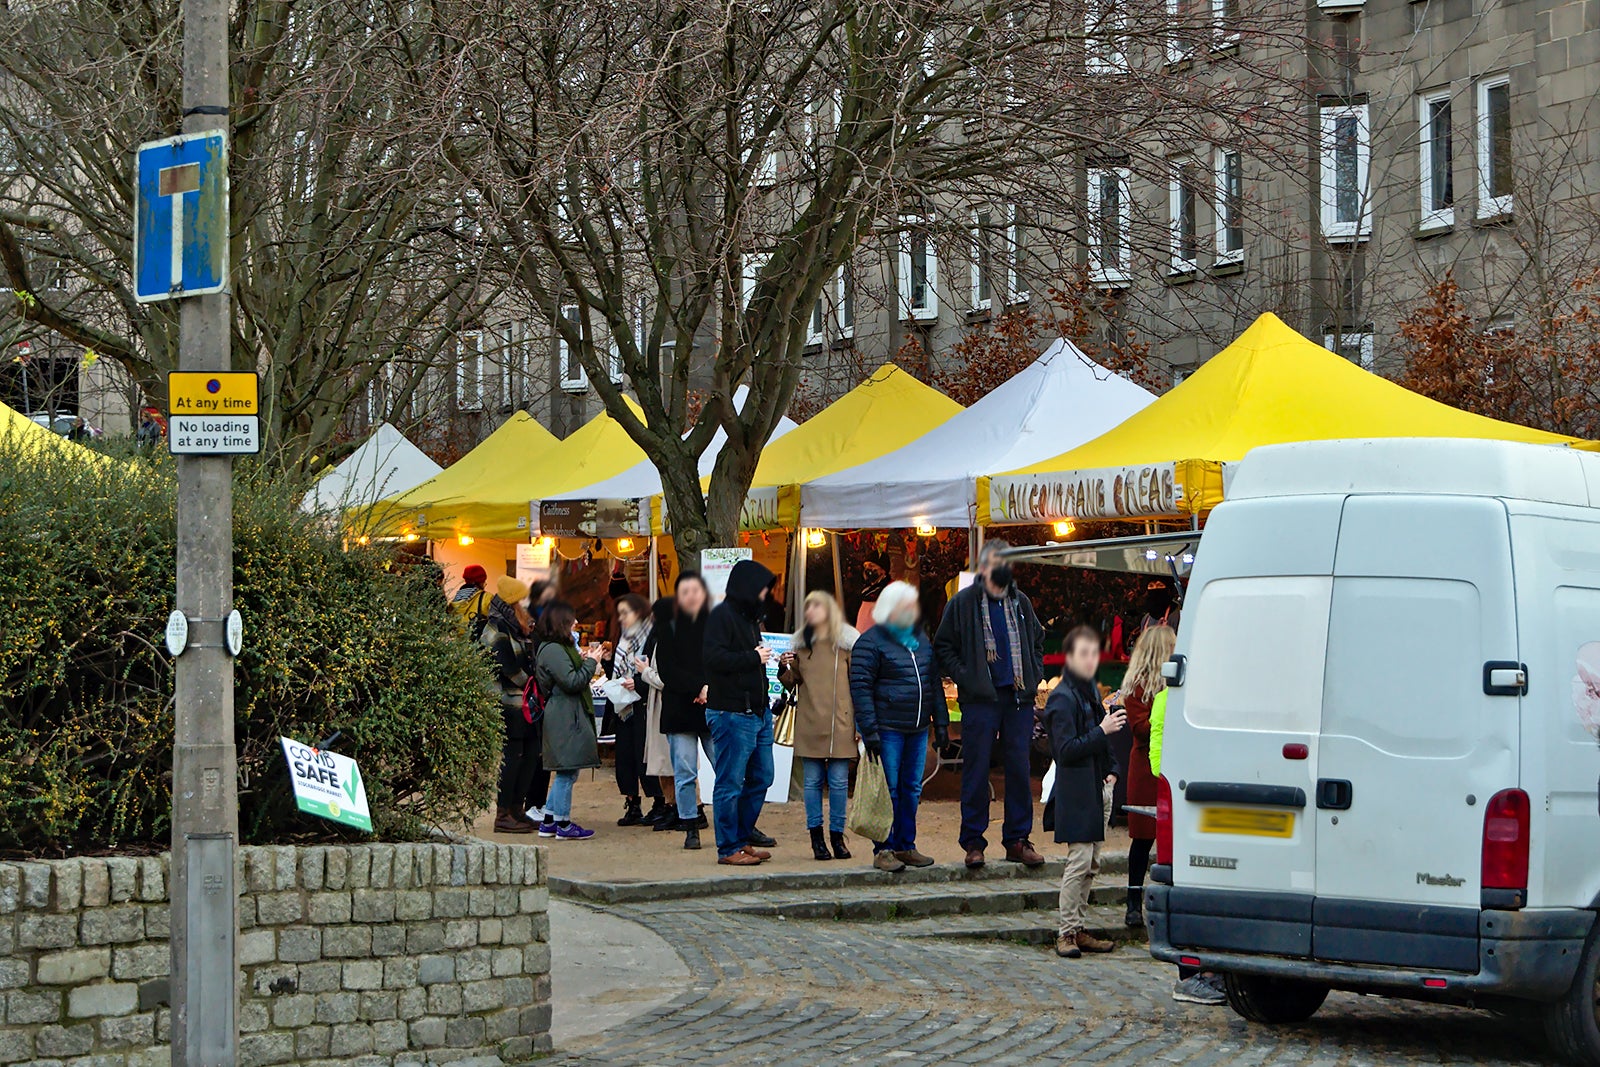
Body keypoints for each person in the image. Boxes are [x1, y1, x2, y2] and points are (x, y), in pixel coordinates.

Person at [934, 539, 1047, 870]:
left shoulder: (1020, 602)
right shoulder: (963, 602)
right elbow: (944, 645)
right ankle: (973, 842)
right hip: (980, 699)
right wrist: (966, 677)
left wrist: (1033, 672)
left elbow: (1037, 640)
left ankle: (1017, 840)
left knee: (1018, 769)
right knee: (976, 769)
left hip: (1017, 697)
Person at [850, 581, 947, 873]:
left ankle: (906, 845)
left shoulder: (920, 640)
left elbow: (933, 684)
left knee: (911, 789)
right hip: (887, 728)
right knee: (889, 790)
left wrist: (940, 722)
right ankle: (884, 848)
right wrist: (870, 730)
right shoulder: (870, 643)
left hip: (917, 729)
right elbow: (861, 689)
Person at [1045, 625, 1124, 959]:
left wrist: (1113, 770)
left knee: (1091, 863)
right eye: (1084, 655)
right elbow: (1064, 751)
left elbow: (1100, 739)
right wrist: (1102, 730)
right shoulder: (1061, 699)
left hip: (1095, 789)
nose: (1091, 661)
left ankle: (1077, 928)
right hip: (1076, 793)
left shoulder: (1088, 691)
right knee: (1079, 862)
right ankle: (1066, 933)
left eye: (1094, 654)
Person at [703, 559, 778, 866]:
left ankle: (741, 837)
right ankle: (728, 847)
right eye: (762, 588)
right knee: (730, 782)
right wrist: (753, 657)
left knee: (763, 775)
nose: (766, 593)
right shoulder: (721, 616)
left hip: (757, 712)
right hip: (732, 712)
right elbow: (713, 658)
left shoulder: (749, 618)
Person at [779, 591, 860, 862]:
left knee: (838, 782)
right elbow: (793, 682)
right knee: (812, 782)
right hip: (811, 719)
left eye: (816, 606)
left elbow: (859, 684)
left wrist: (860, 722)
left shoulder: (847, 643)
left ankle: (837, 835)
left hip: (841, 720)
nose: (811, 611)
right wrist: (784, 668)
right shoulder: (801, 643)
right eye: (808, 607)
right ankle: (817, 838)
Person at [649, 573, 714, 849]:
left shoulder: (714, 625)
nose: (691, 596)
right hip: (679, 709)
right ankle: (690, 825)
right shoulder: (668, 628)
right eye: (685, 591)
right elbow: (668, 670)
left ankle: (731, 825)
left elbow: (720, 661)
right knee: (685, 771)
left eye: (695, 590)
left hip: (712, 707)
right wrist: (698, 688)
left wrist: (709, 688)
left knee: (725, 768)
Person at [1121, 624, 1176, 930]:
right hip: (1146, 768)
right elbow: (1140, 729)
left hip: (1172, 765)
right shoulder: (1138, 687)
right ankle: (1132, 901)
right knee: (1142, 839)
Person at [533, 601, 599, 841]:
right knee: (566, 771)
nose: (577, 624)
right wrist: (592, 662)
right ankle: (563, 823)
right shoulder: (553, 650)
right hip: (564, 714)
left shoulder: (556, 648)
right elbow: (571, 682)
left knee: (566, 768)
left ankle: (549, 821)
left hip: (565, 712)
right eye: (573, 619)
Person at [480, 576, 539, 835]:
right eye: (518, 601)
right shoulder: (496, 631)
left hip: (522, 703)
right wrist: (534, 684)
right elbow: (509, 669)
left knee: (529, 755)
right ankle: (503, 813)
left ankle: (516, 808)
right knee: (513, 758)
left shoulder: (512, 628)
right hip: (508, 703)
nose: (522, 605)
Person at [607, 593, 669, 828]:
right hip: (623, 704)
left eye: (627, 612)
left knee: (645, 755)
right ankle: (632, 803)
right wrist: (605, 661)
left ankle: (659, 802)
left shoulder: (651, 635)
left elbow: (656, 670)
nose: (622, 617)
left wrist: (639, 682)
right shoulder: (622, 637)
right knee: (625, 758)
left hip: (644, 704)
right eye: (620, 613)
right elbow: (617, 669)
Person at [451, 565, 491, 630]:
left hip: (458, 639)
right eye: (483, 581)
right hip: (478, 638)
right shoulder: (487, 598)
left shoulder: (455, 600)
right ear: (479, 582)